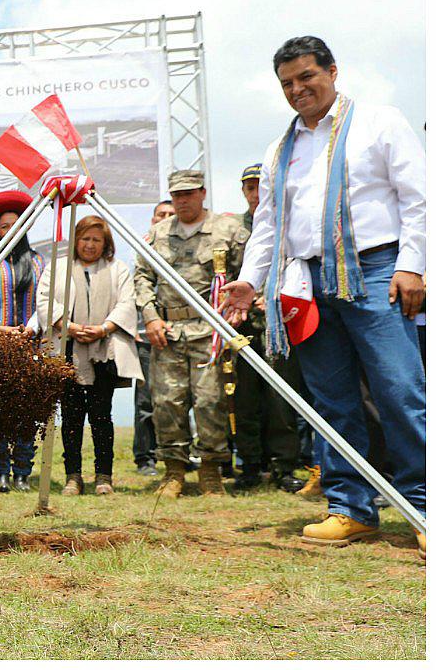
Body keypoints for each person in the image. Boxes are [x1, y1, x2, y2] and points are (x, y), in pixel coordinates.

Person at [221, 36, 425, 552]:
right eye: (287, 83)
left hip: (377, 271)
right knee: (331, 403)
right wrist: (250, 277)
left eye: (306, 77)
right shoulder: (278, 149)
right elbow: (267, 224)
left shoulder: (380, 122)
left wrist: (413, 266)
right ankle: (350, 508)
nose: (297, 89)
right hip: (305, 282)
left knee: (400, 392)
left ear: (333, 71)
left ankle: (423, 507)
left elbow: (419, 198)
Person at [135, 169, 249, 499]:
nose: (182, 200)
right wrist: (151, 318)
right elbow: (142, 278)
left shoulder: (228, 231)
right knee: (167, 403)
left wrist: (236, 309)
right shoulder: (157, 234)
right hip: (168, 332)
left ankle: (211, 471)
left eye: (188, 193)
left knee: (211, 402)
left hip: (210, 331)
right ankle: (173, 471)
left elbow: (248, 272)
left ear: (202, 192)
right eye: (176, 195)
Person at [32, 216, 140, 496]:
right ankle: (73, 477)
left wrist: (104, 328)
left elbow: (127, 303)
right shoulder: (57, 268)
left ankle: (104, 476)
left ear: (105, 243)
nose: (90, 245)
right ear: (76, 239)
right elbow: (44, 300)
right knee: (71, 417)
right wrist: (69, 327)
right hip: (67, 352)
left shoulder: (118, 269)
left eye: (96, 240)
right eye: (85, 238)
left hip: (103, 353)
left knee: (102, 416)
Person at [228, 163, 305, 492]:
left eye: (261, 186)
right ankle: (249, 465)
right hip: (242, 326)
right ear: (243, 192)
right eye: (250, 188)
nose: (256, 193)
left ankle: (284, 466)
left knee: (280, 397)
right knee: (244, 398)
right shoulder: (230, 229)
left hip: (279, 323)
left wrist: (274, 297)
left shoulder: (288, 223)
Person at [0, 190, 45, 492]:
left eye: (17, 224)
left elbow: (46, 300)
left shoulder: (40, 262)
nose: (11, 230)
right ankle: (0, 472)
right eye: (5, 226)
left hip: (31, 344)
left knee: (27, 412)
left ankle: (23, 473)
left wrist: (30, 329)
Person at [132, 201, 175, 477]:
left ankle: (177, 454)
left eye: (171, 215)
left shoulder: (185, 247)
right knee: (146, 401)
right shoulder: (143, 248)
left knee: (178, 399)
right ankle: (145, 458)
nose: (166, 219)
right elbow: (136, 290)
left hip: (181, 333)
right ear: (152, 219)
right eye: (162, 215)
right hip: (146, 336)